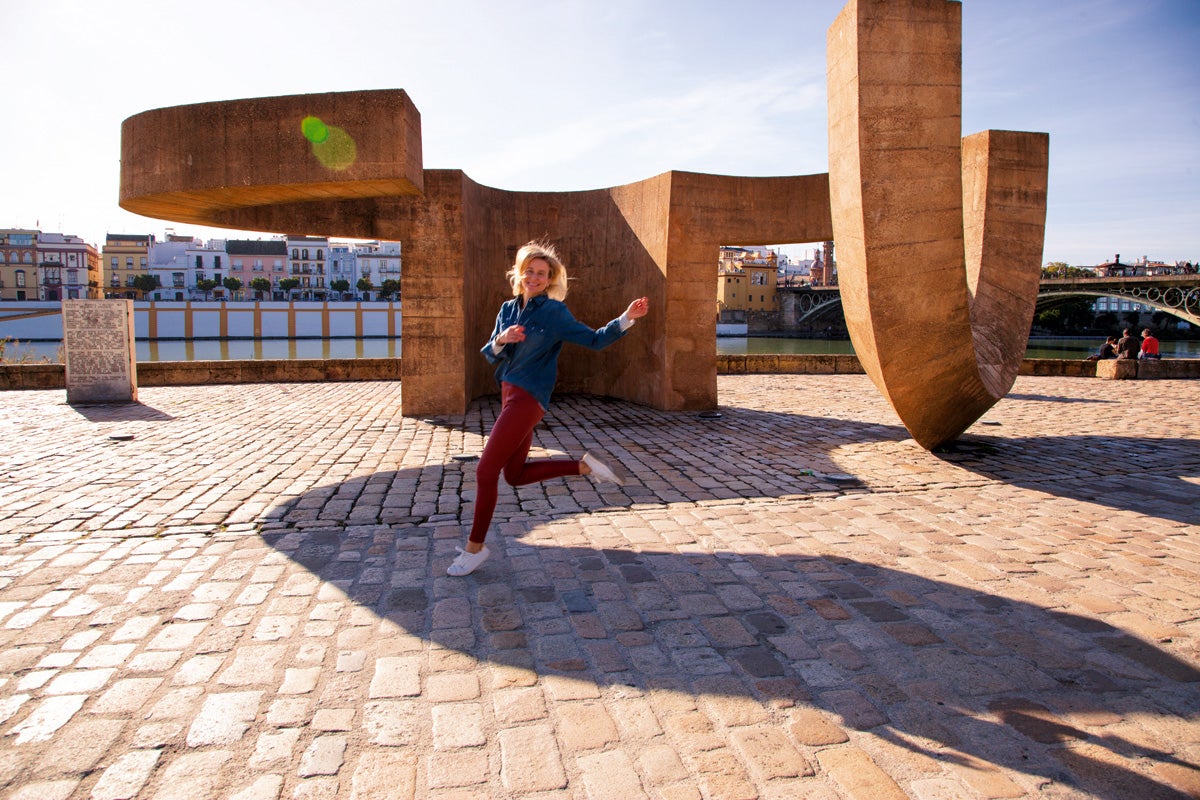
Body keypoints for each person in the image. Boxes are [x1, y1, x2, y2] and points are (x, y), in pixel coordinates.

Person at [446, 241, 650, 577]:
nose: (535, 277)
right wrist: (502, 340)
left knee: (485, 471)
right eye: (530, 271)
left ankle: (475, 548)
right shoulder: (507, 310)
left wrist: (626, 318)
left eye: (542, 273)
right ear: (519, 272)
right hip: (509, 395)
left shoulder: (554, 312)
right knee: (514, 475)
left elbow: (595, 339)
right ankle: (584, 468)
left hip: (528, 399)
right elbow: (490, 352)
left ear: (550, 279)